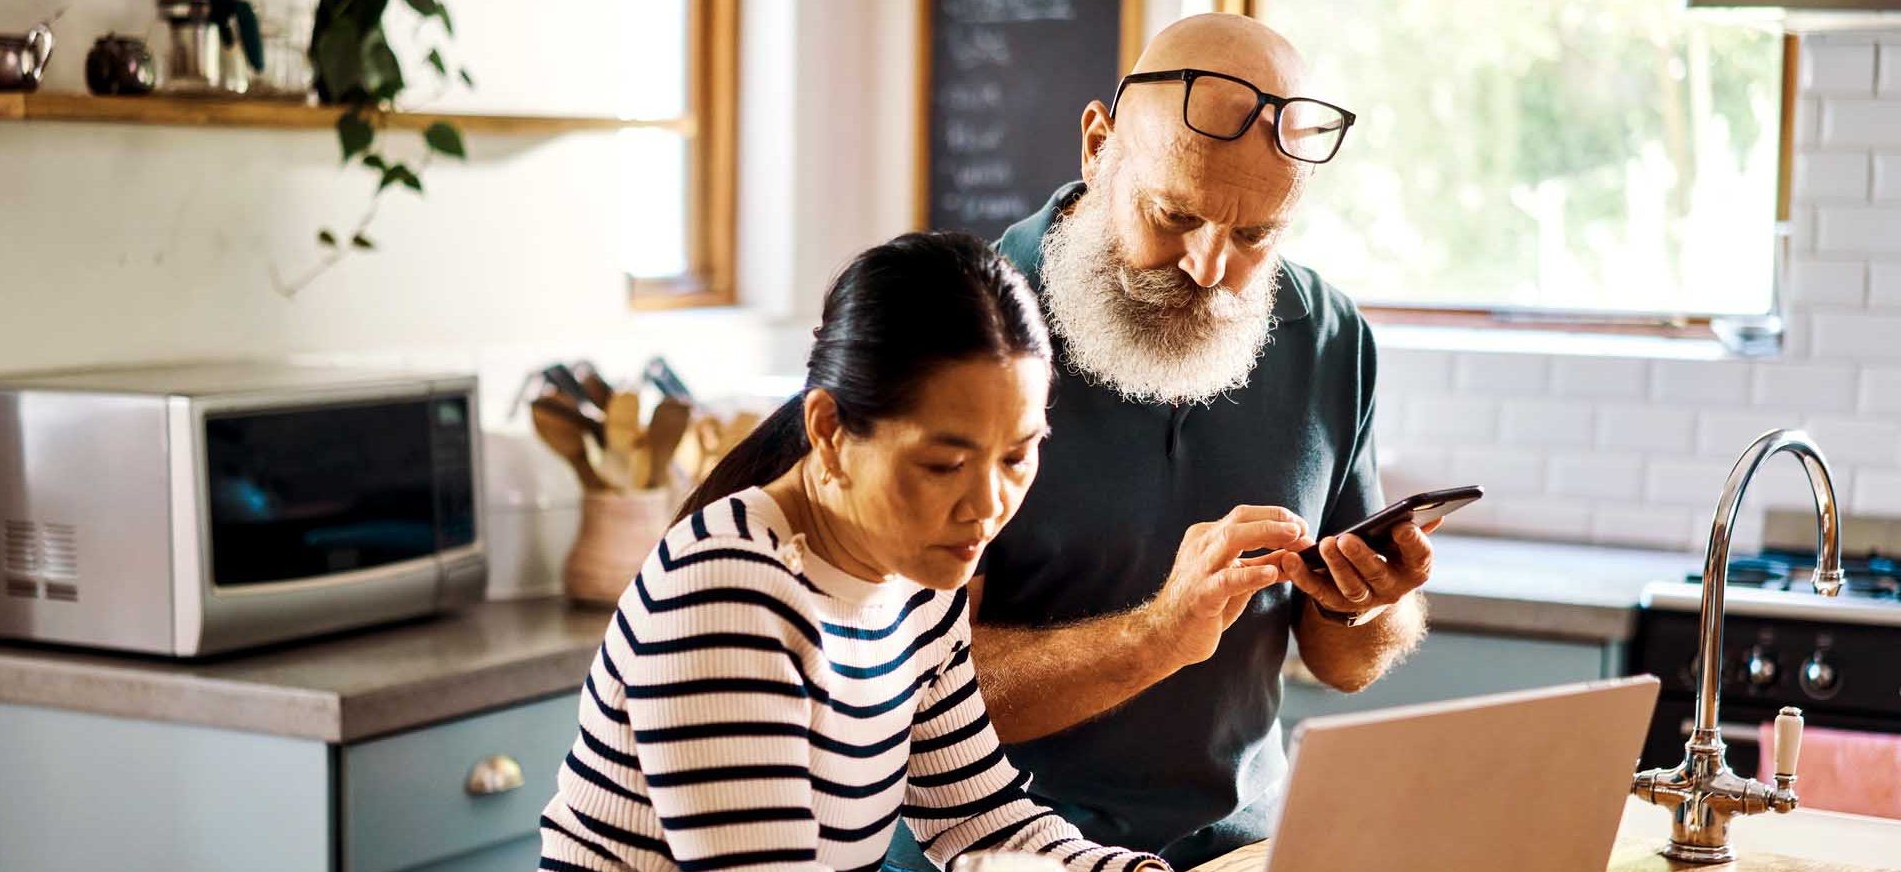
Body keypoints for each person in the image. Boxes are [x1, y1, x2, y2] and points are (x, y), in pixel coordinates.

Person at [884, 14, 1442, 870]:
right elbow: (904, 705)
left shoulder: (1330, 337)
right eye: (1174, 213)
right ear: (1097, 145)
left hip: (1241, 851)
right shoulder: (961, 329)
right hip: (998, 855)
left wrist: (1361, 601)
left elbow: (1345, 663)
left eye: (1257, 235)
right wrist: (1155, 636)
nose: (1210, 268)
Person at [538, 233, 1175, 872]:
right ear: (829, 430)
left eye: (1016, 456)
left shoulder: (920, 581)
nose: (986, 504)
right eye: (944, 463)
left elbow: (978, 820)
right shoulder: (725, 594)